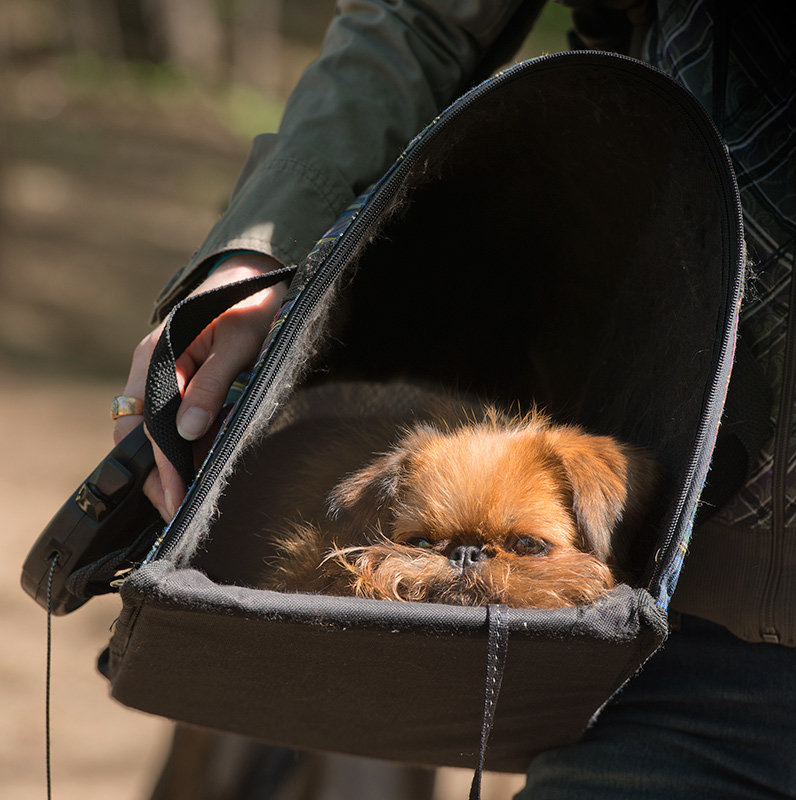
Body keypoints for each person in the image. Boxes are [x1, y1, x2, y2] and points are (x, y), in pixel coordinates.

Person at [112, 1, 795, 797]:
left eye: (526, 546)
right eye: (439, 544)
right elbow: (424, 16)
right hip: (671, 648)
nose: (471, 565)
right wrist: (260, 246)